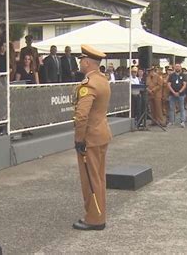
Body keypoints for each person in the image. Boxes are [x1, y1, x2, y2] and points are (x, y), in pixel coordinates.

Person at [72, 44, 112, 231]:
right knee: (99, 178)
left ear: (87, 62)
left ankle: (94, 218)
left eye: (81, 60)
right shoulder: (102, 80)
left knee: (90, 179)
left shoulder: (88, 84)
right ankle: (99, 214)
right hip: (102, 134)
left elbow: (82, 115)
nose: (80, 63)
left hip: (90, 138)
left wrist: (79, 139)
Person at [167, 63, 187, 128]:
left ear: (180, 67)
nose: (177, 67)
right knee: (171, 108)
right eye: (176, 66)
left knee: (182, 108)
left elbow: (184, 84)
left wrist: (179, 92)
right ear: (174, 67)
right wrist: (173, 92)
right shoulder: (171, 75)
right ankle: (171, 121)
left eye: (178, 66)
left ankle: (182, 122)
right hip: (172, 94)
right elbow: (169, 84)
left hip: (181, 94)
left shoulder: (183, 75)